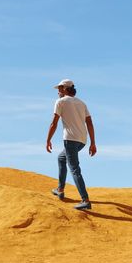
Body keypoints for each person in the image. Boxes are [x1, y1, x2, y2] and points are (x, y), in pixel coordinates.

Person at [46, 79, 97, 210]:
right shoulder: (81, 103)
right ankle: (60, 189)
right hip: (82, 140)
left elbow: (54, 123)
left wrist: (48, 140)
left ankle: (85, 200)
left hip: (70, 139)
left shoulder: (60, 102)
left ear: (65, 89)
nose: (58, 91)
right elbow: (90, 123)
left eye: (59, 88)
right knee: (61, 158)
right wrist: (93, 143)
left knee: (74, 168)